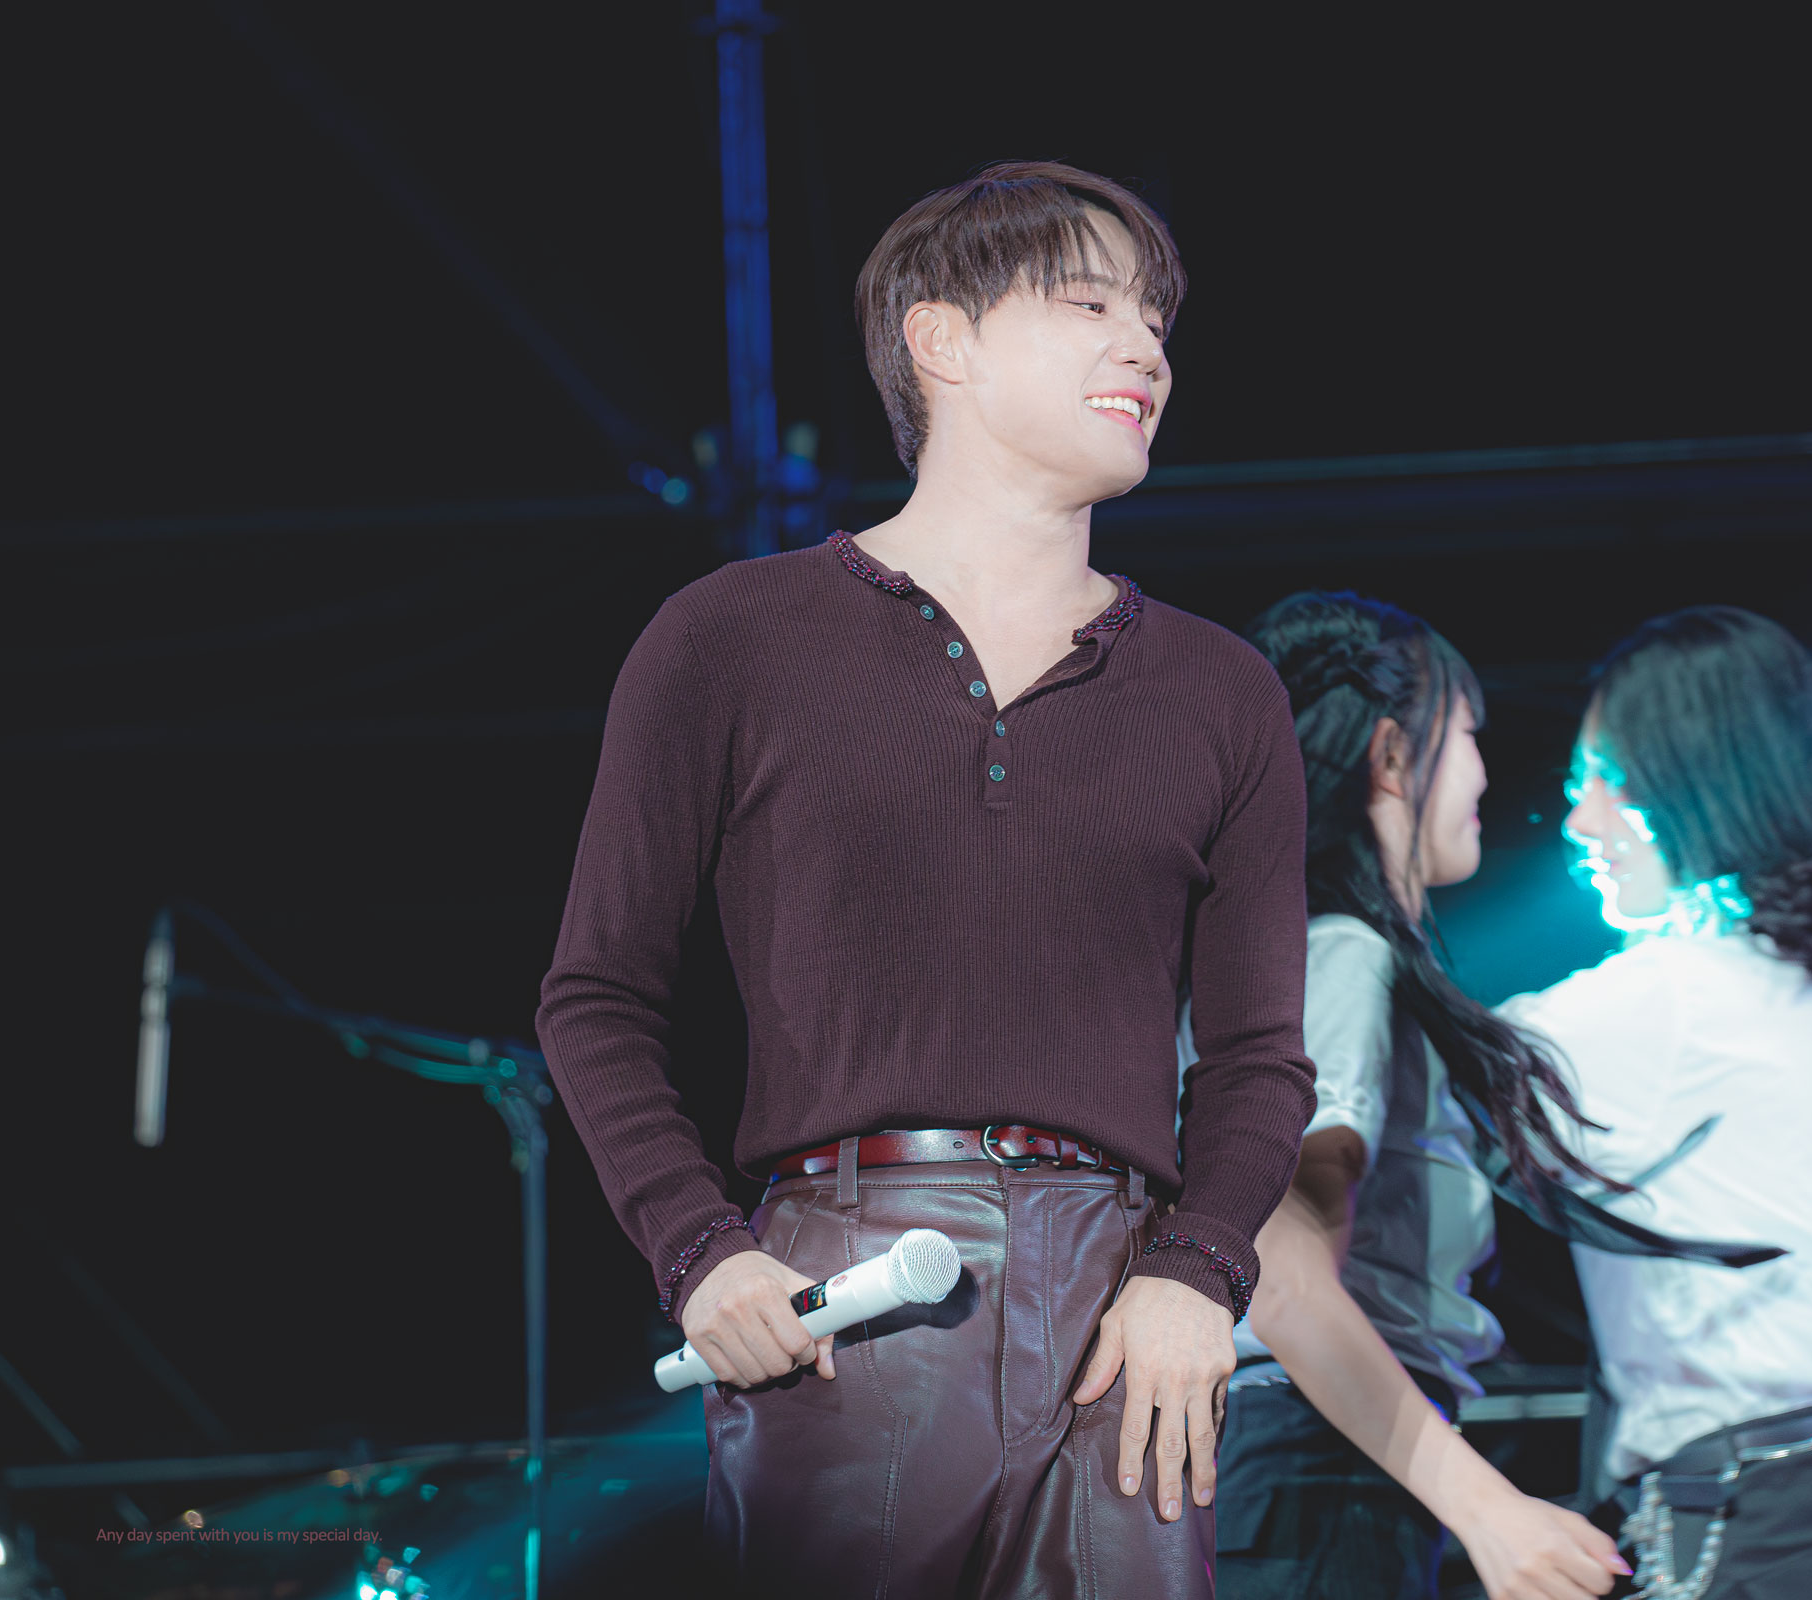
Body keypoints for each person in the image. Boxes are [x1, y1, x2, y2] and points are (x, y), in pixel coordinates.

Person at [535, 161, 1317, 1597]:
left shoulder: (1223, 691)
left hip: (1128, 1305)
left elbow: (1262, 1055)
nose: (1145, 348)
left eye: (1155, 320)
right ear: (941, 341)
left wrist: (1200, 1271)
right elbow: (595, 996)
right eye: (1090, 304)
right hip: (850, 1292)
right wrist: (700, 1250)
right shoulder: (730, 637)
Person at [1502, 606, 1812, 1598]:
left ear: (1707, 781)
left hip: (1731, 1530)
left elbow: (1389, 1121)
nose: (1580, 821)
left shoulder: (1649, 1008)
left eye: (1608, 778)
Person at [1181, 591, 1628, 1600]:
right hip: (1313, 1468)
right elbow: (1285, 1279)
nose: (1484, 773)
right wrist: (1491, 1510)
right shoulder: (1341, 956)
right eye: (1468, 732)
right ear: (1391, 754)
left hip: (1321, 1467)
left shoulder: (1303, 959)